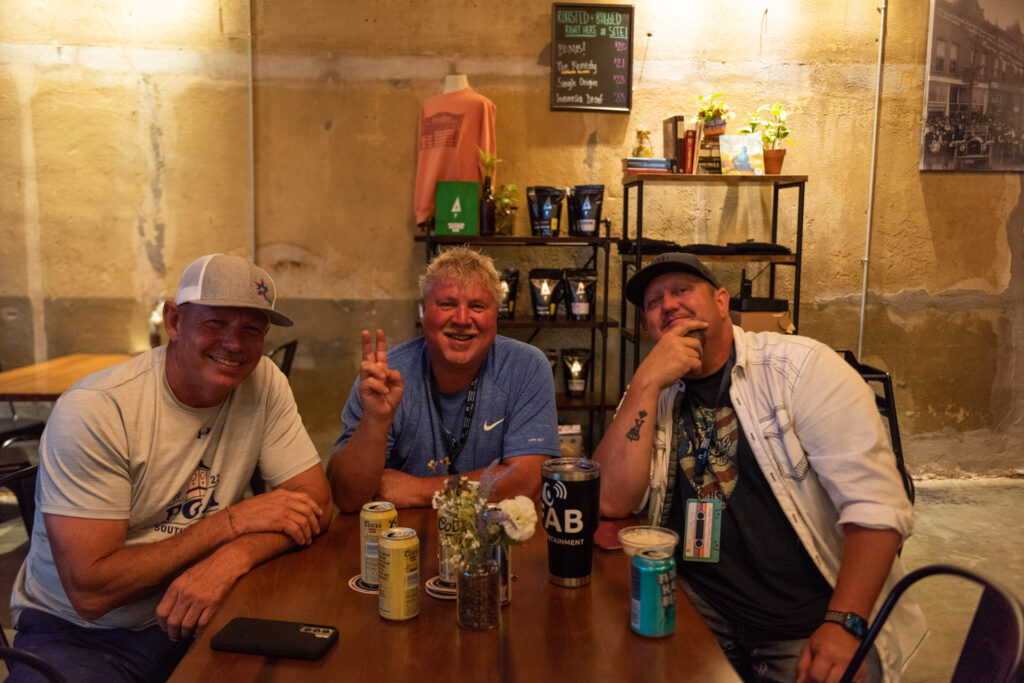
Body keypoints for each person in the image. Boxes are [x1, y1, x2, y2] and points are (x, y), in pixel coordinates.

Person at [593, 253, 925, 683]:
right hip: (698, 604)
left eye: (681, 291)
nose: (668, 305)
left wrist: (844, 623)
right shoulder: (654, 386)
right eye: (654, 303)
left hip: (804, 621)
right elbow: (610, 500)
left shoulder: (802, 368)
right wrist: (644, 384)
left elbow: (877, 506)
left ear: (722, 302)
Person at [9, 254, 332, 682]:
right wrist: (231, 523)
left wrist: (231, 558)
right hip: (81, 634)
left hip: (203, 606)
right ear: (174, 322)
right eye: (216, 322)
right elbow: (91, 592)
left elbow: (316, 504)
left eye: (252, 329)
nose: (235, 343)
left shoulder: (264, 381)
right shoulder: (96, 410)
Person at [328, 246, 560, 512]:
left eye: (477, 306)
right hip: (402, 533)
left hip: (493, 533)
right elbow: (346, 497)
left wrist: (419, 490)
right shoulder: (385, 376)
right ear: (424, 310)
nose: (462, 319)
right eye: (447, 304)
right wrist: (376, 420)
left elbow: (527, 482)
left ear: (496, 313)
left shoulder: (526, 367)